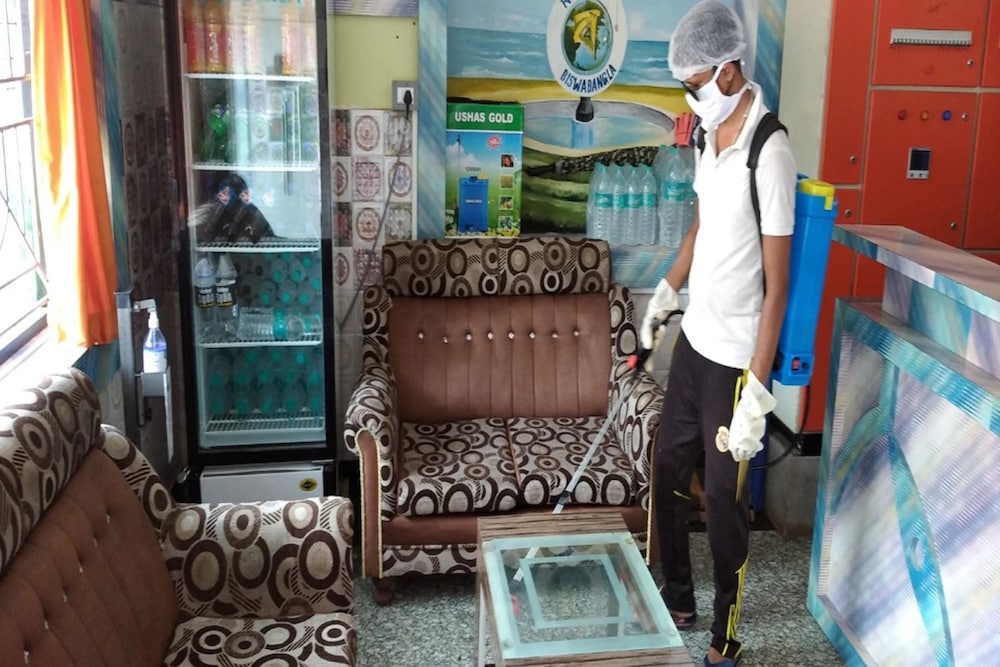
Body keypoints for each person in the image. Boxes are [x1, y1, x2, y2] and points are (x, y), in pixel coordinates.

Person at [641, 2, 797, 666]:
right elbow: (703, 229)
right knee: (669, 467)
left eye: (695, 82)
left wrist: (758, 391)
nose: (690, 95)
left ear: (728, 72)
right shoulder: (708, 137)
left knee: (728, 507)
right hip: (695, 342)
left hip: (736, 361)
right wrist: (665, 294)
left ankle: (725, 633)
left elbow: (777, 285)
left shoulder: (770, 151)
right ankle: (678, 594)